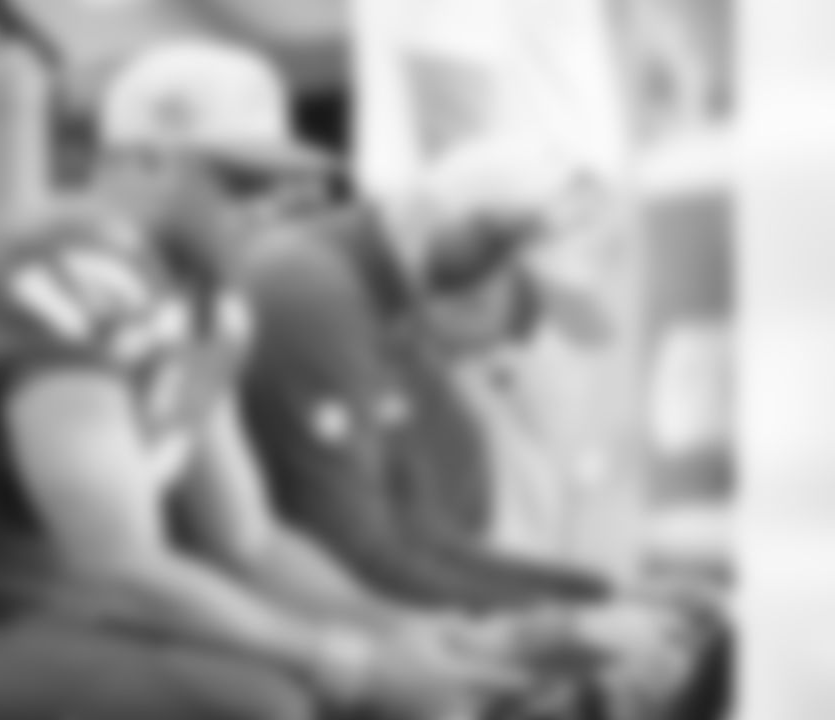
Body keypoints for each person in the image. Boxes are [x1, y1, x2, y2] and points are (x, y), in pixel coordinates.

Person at [0, 38, 526, 720]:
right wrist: (345, 662)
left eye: (284, 183)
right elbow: (119, 566)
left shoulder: (204, 301)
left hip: (59, 607)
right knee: (262, 704)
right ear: (146, 159)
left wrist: (395, 628)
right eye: (243, 181)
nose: (271, 206)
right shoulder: (63, 280)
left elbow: (249, 539)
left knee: (329, 686)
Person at [236, 142, 709, 707]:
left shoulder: (373, 305)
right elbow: (357, 552)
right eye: (524, 317)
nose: (513, 346)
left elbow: (419, 537)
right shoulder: (314, 295)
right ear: (481, 279)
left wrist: (600, 597)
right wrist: (564, 623)